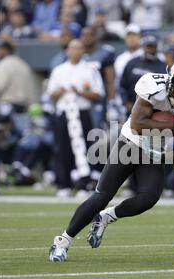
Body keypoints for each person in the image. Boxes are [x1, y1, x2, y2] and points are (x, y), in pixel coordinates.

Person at [49, 60, 174, 262]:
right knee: (102, 195)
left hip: (157, 148)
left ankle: (106, 217)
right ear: (170, 84)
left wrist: (169, 157)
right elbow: (137, 124)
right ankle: (62, 242)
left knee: (148, 198)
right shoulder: (153, 86)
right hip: (131, 141)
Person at [47, 39, 105, 198]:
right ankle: (63, 184)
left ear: (83, 51)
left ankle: (83, 184)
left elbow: (98, 93)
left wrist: (80, 92)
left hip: (82, 111)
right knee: (63, 149)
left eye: (79, 48)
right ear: (67, 51)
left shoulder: (89, 69)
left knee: (86, 148)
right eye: (73, 48)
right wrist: (61, 92)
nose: (75, 51)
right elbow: (51, 93)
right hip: (64, 112)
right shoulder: (59, 70)